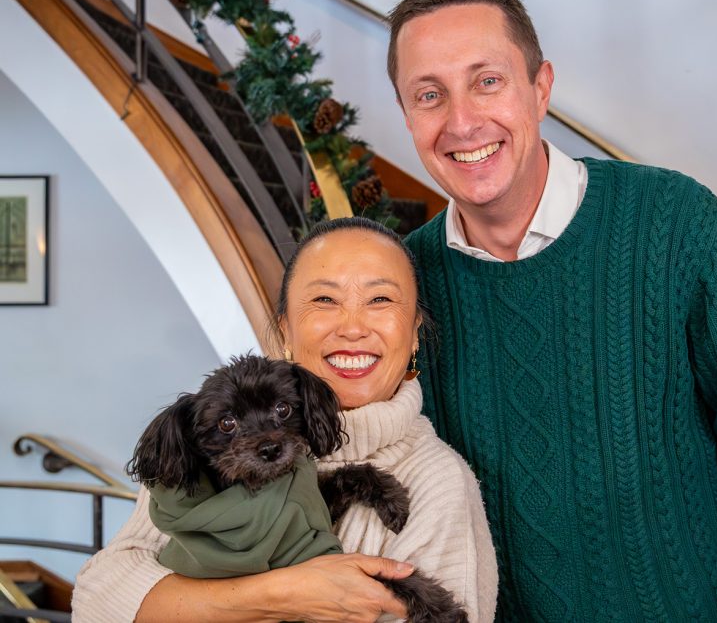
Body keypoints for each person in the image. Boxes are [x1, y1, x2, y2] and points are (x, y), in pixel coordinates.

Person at [392, 0, 717, 622]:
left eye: (486, 80)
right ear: (407, 116)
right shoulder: (403, 287)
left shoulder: (674, 220)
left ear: (539, 87)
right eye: (428, 94)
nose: (462, 121)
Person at [72, 218, 498, 623]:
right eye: (325, 299)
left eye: (380, 299)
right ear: (285, 332)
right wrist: (285, 592)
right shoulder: (190, 463)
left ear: (414, 333)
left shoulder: (438, 481)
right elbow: (96, 601)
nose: (353, 327)